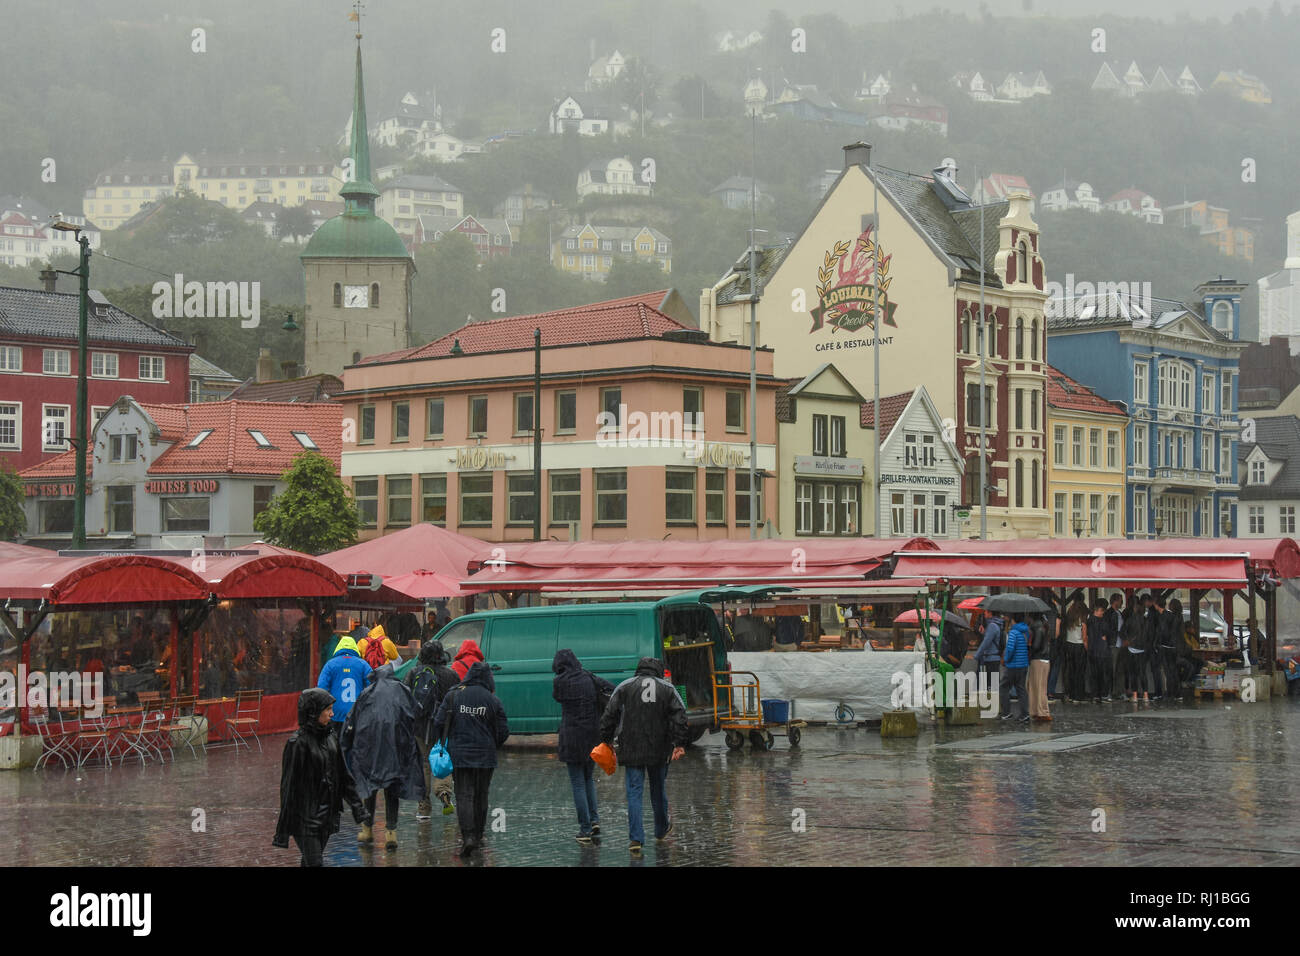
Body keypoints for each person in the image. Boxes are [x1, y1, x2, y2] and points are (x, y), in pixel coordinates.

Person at [598, 657, 689, 854]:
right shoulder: (667, 688)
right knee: (658, 790)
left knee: (634, 792)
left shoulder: (625, 686)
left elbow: (609, 714)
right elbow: (680, 715)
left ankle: (636, 838)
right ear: (658, 670)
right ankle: (661, 828)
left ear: (639, 670)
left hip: (631, 747)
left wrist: (606, 740)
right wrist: (679, 743)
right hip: (659, 747)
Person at [273, 688, 365, 867]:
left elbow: (343, 775)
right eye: (328, 709)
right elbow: (289, 787)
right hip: (305, 818)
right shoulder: (297, 744)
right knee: (315, 862)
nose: (332, 713)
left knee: (309, 862)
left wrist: (357, 806)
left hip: (326, 816)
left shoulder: (331, 738)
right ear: (314, 712)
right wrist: (283, 828)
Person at [340, 661, 425, 850]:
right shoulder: (402, 690)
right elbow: (417, 711)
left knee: (370, 788)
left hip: (370, 749)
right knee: (392, 789)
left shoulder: (367, 693)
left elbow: (351, 721)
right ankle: (390, 833)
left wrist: (346, 745)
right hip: (396, 747)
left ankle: (367, 829)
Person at [433, 660, 509, 858]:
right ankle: (479, 833)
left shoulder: (454, 695)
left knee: (464, 795)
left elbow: (439, 722)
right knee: (481, 795)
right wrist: (493, 744)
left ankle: (468, 837)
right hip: (485, 757)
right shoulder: (493, 700)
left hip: (460, 755)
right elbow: (503, 731)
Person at [552, 648, 615, 844]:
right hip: (592, 736)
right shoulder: (589, 678)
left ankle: (585, 829)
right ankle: (594, 819)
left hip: (571, 737)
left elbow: (557, 697)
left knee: (578, 783)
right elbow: (612, 689)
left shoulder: (560, 683)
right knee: (588, 780)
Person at [405, 640, 459, 819]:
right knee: (442, 759)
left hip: (420, 726)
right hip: (443, 726)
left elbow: (405, 698)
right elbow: (456, 699)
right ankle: (444, 792)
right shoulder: (451, 674)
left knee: (424, 763)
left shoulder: (414, 673)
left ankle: (423, 805)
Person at [316, 636, 372, 737]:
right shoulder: (363, 664)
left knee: (335, 744)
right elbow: (372, 686)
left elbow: (321, 688)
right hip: (356, 713)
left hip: (335, 713)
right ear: (354, 648)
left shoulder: (330, 664)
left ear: (339, 648)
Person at [999, 614, 1030, 723]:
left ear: (1013, 620)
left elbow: (1010, 648)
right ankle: (1025, 714)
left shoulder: (1013, 632)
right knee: (1021, 688)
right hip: (1023, 664)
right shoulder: (1025, 631)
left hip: (1013, 665)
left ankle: (1006, 712)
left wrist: (1006, 659)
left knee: (1003, 687)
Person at [1124, 594, 1155, 702]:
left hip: (1131, 649)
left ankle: (1135, 695)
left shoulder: (1130, 620)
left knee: (1133, 673)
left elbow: (1123, 632)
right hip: (1143, 650)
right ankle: (1146, 695)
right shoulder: (1147, 621)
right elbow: (1151, 636)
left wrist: (1127, 640)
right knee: (1142, 672)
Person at [1026, 612, 1052, 721]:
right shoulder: (1044, 626)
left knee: (1035, 687)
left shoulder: (1036, 628)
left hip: (1037, 660)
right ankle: (1039, 711)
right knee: (1040, 687)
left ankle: (1041, 712)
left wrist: (1028, 647)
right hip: (1045, 660)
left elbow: (1036, 646)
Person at [1086, 599, 1112, 702]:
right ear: (1098, 610)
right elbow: (1107, 633)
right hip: (1102, 651)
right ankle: (1103, 694)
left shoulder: (1089, 621)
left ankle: (1095, 694)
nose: (1103, 613)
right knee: (1103, 674)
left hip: (1092, 650)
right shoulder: (1103, 622)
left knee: (1094, 674)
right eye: (1102, 611)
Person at [1063, 600, 1089, 703]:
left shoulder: (1069, 620)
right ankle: (1079, 695)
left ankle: (1071, 694)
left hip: (1069, 645)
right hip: (1079, 647)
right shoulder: (1082, 621)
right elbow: (1084, 637)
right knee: (1080, 672)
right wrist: (1087, 649)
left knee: (1071, 671)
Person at [973, 611, 1004, 684]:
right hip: (994, 658)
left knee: (991, 684)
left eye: (986, 612)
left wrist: (977, 655)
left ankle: (992, 695)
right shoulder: (996, 624)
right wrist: (984, 633)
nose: (984, 613)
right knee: (992, 684)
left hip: (991, 659)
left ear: (990, 613)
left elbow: (986, 642)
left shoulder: (992, 625)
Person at [1108, 593, 1127, 699]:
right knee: (1113, 669)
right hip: (1113, 644)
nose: (1122, 603)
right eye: (1120, 600)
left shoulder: (1119, 613)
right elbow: (1110, 629)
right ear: (1115, 601)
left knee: (1120, 669)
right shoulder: (1110, 613)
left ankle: (1120, 691)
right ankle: (1111, 691)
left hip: (1119, 644)